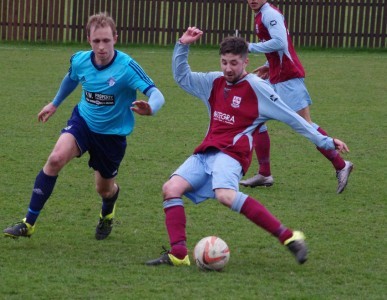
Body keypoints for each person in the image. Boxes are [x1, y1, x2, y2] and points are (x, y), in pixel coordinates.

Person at [146, 27, 350, 267]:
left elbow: (293, 119)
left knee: (225, 195)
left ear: (245, 61)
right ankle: (178, 254)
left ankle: (289, 237)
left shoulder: (258, 88)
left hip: (231, 156)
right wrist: (182, 45)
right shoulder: (214, 82)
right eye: (224, 62)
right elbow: (182, 77)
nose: (228, 68)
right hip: (206, 153)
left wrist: (326, 141)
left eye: (234, 63)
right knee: (170, 188)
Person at [3, 12, 165, 240]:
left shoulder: (127, 67)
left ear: (115, 38)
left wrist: (152, 107)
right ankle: (28, 223)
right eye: (96, 41)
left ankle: (107, 212)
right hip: (83, 122)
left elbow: (157, 94)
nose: (101, 47)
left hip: (111, 136)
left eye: (106, 40)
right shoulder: (80, 60)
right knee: (55, 159)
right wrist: (55, 103)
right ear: (89, 39)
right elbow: (71, 78)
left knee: (104, 189)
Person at [240, 0, 353, 193]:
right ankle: (264, 173)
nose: (252, 0)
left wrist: (248, 47)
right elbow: (280, 47)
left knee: (306, 125)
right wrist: (270, 65)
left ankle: (341, 165)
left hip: (289, 79)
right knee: (254, 119)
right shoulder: (261, 14)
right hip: (278, 76)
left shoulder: (270, 15)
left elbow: (280, 42)